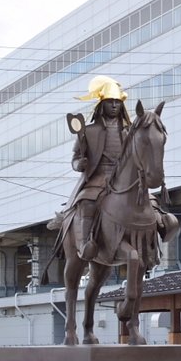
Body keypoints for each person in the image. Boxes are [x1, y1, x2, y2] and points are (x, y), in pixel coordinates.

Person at [66, 75, 132, 260]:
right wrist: (79, 164)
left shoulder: (129, 131)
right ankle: (86, 243)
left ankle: (153, 242)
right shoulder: (88, 131)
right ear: (101, 104)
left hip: (124, 178)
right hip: (98, 177)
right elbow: (75, 158)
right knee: (87, 203)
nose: (114, 106)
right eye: (110, 102)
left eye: (117, 102)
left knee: (150, 202)